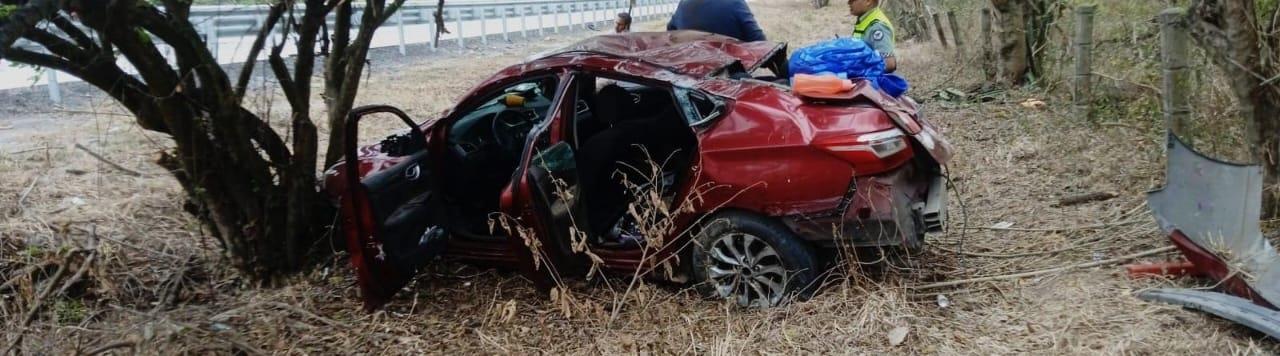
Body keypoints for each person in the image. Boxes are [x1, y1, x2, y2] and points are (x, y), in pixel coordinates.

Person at [666, 0, 766, 42]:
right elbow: (759, 42)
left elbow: (671, 31)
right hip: (731, 78)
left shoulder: (683, 4)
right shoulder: (735, 3)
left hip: (691, 78)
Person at [848, 0, 897, 72]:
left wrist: (858, 71)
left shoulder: (877, 26)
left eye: (852, 0)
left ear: (868, 1)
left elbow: (889, 63)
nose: (849, 2)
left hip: (874, 81)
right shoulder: (865, 20)